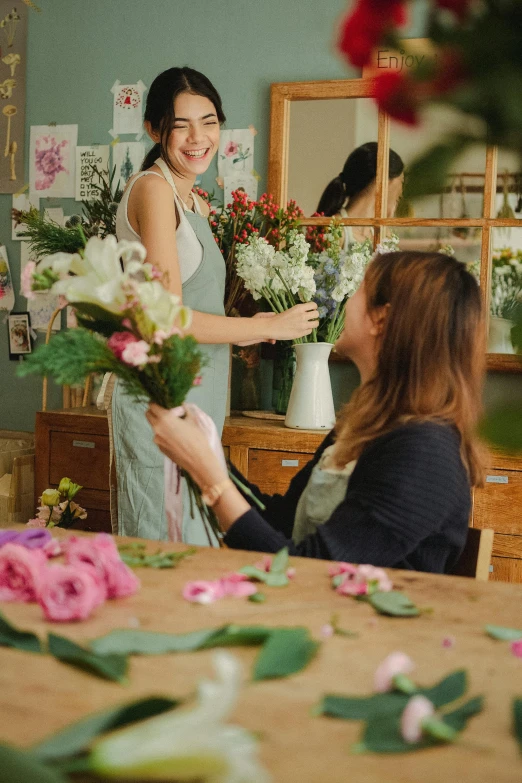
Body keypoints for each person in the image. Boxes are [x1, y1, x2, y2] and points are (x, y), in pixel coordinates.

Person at [147, 250, 486, 574]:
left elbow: (309, 569)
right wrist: (200, 454)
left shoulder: (424, 453)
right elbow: (282, 521)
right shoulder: (366, 424)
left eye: (357, 291)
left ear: (381, 319)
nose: (344, 301)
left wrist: (212, 479)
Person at [111, 66, 318, 544]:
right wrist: (265, 327)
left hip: (198, 392)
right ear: (154, 130)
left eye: (209, 121)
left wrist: (258, 323)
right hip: (160, 395)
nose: (198, 137)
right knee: (164, 546)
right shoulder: (154, 190)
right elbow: (165, 316)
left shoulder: (196, 203)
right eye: (181, 125)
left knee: (197, 540)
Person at [316, 142, 404, 248]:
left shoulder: (383, 234)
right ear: (381, 182)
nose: (401, 189)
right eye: (401, 181)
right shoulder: (334, 231)